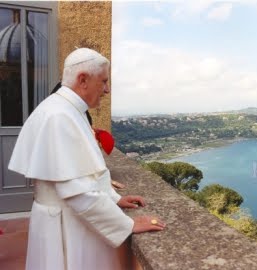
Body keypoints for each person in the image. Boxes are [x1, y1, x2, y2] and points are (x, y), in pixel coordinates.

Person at [8, 48, 165, 270]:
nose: (107, 89)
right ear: (83, 79)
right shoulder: (60, 116)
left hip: (66, 219)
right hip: (66, 226)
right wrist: (128, 224)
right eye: (104, 81)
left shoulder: (68, 110)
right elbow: (78, 192)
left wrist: (114, 198)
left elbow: (89, 174)